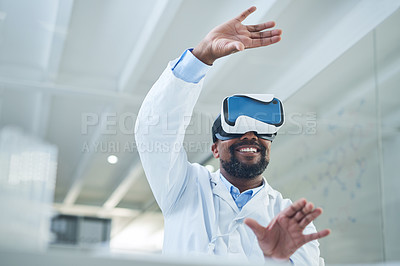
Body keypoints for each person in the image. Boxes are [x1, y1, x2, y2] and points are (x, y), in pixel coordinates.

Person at [135, 6, 330, 265]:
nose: (250, 136)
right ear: (215, 149)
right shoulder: (183, 188)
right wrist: (201, 57)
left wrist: (276, 259)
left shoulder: (290, 217)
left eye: (260, 132)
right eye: (235, 130)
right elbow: (154, 132)